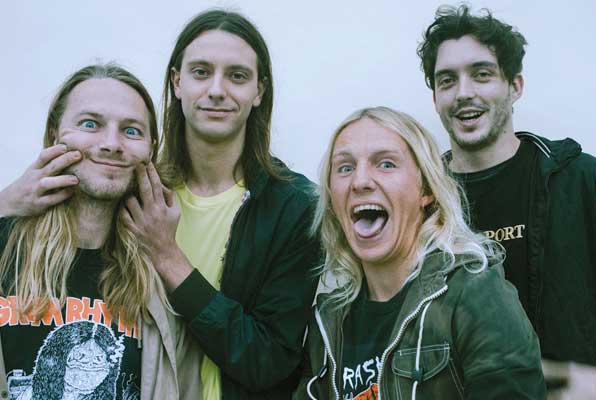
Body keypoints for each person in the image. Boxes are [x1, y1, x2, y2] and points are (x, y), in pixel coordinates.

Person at [120, 10, 321, 400]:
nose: (216, 90)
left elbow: (269, 360)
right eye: (201, 72)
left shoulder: (295, 207)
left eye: (237, 76)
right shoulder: (139, 192)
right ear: (177, 82)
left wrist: (168, 257)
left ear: (259, 91)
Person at [293, 106, 546, 399]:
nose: (360, 181)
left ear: (426, 190)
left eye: (386, 164)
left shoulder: (476, 295)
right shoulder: (328, 318)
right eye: (345, 168)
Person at [0, 64, 201, 400]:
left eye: (131, 131)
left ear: (150, 149)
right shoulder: (5, 247)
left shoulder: (161, 284)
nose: (111, 144)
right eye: (90, 124)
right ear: (54, 135)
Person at [417, 5, 596, 369]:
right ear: (436, 98)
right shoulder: (418, 201)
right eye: (447, 80)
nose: (463, 93)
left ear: (515, 86)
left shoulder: (582, 181)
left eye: (482, 75)